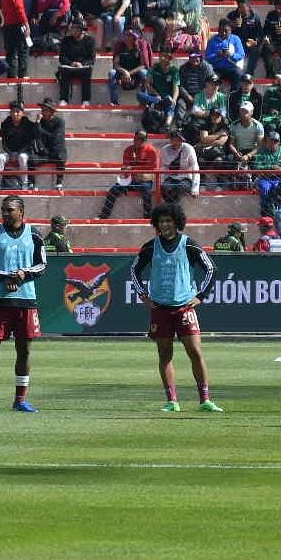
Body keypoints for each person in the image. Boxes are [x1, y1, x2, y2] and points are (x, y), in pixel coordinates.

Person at [129, 203, 221, 413]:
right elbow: (134, 270)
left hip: (185, 308)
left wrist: (201, 296)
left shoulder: (189, 245)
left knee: (195, 352)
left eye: (169, 221)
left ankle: (205, 399)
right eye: (162, 221)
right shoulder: (151, 247)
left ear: (177, 222)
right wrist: (143, 295)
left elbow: (211, 269)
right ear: (157, 224)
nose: (165, 224)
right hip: (160, 309)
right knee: (165, 355)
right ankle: (172, 401)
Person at [0, 196, 47, 413]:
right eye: (3, 210)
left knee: (24, 350)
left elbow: (42, 265)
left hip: (26, 300)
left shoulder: (35, 235)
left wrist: (23, 274)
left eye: (10, 210)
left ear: (21, 211)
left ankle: (20, 400)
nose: (5, 213)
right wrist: (7, 277)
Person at [98, 129, 158, 218]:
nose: (138, 141)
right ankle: (104, 215)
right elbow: (125, 165)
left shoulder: (151, 150)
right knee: (113, 190)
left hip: (144, 179)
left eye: (141, 139)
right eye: (137, 138)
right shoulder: (128, 150)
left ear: (145, 140)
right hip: (130, 179)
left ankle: (148, 216)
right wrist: (127, 171)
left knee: (146, 191)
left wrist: (134, 169)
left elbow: (153, 167)